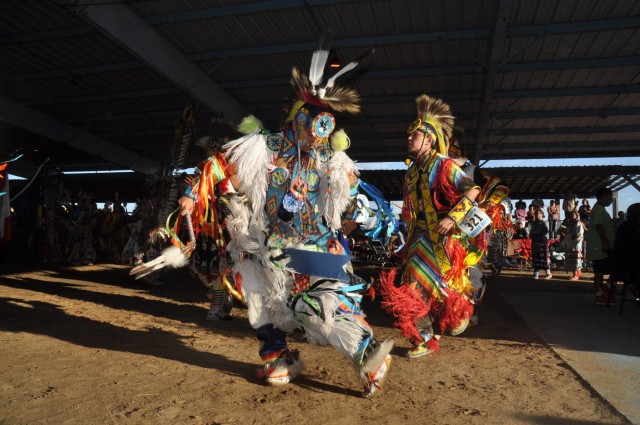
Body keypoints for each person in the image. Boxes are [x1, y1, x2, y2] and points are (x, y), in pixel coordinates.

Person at [186, 35, 393, 398]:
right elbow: (220, 164)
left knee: (316, 308)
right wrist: (192, 194)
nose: (317, 138)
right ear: (298, 121)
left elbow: (355, 196)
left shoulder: (331, 160)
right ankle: (280, 357)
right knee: (260, 305)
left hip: (313, 247)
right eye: (313, 126)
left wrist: (362, 212)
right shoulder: (265, 146)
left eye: (325, 129)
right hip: (266, 243)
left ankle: (368, 353)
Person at [378, 94, 485, 358]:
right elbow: (408, 209)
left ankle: (443, 324)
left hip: (442, 238)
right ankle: (427, 335)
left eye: (414, 135)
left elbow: (473, 189)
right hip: (417, 238)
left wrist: (452, 217)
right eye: (409, 135)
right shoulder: (412, 172)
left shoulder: (444, 165)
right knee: (415, 286)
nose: (408, 139)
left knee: (426, 287)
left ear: (429, 139)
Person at [178, 118, 241, 320]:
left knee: (224, 266)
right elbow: (198, 181)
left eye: (216, 146)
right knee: (209, 267)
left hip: (229, 225)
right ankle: (222, 301)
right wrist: (190, 196)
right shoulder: (207, 167)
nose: (213, 151)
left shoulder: (234, 167)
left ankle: (219, 303)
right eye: (211, 147)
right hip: (209, 225)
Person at [586, 187, 616, 305]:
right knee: (600, 271)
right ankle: (601, 294)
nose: (611, 200)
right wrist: (605, 242)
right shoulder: (599, 209)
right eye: (610, 197)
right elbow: (599, 226)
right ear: (603, 197)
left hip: (601, 246)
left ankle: (603, 292)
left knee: (602, 270)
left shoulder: (601, 209)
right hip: (600, 246)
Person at [530, 209, 552, 279]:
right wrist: (532, 235)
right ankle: (536, 274)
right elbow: (531, 232)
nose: (537, 215)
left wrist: (538, 234)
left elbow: (546, 231)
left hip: (542, 242)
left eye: (539, 213)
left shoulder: (543, 222)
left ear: (542, 214)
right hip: (535, 242)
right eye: (536, 213)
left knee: (544, 257)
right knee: (536, 257)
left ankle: (548, 273)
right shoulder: (534, 223)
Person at [564, 210, 585, 280]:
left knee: (576, 259)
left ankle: (576, 275)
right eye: (570, 215)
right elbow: (568, 232)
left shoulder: (578, 223)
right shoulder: (571, 223)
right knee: (573, 258)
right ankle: (576, 273)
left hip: (576, 243)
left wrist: (575, 237)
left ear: (576, 215)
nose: (571, 216)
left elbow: (580, 233)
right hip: (571, 243)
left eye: (573, 214)